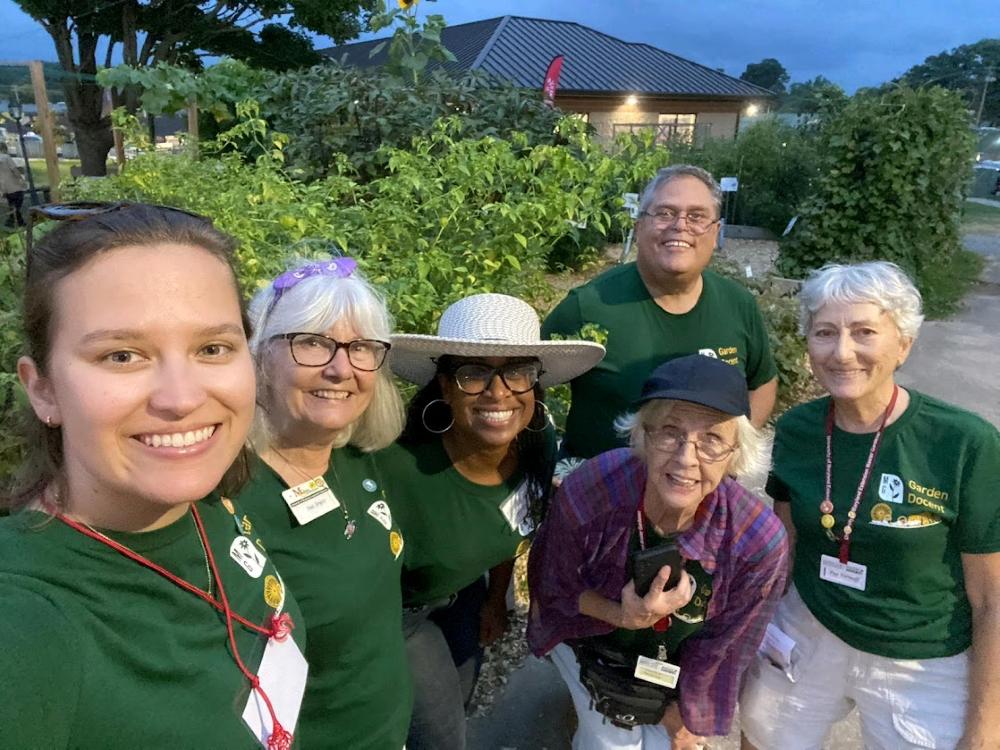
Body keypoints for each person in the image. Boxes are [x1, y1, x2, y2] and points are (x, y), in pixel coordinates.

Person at [0, 203, 306, 748]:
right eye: (122, 356)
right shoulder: (25, 623)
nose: (182, 399)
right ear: (42, 387)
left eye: (212, 348)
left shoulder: (211, 506)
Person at [740, 262, 1000, 750]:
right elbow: (783, 550)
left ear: (903, 343)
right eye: (825, 332)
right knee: (761, 732)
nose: (842, 352)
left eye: (864, 332)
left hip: (921, 652)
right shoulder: (797, 430)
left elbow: (993, 599)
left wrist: (988, 725)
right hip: (813, 623)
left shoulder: (965, 442)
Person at [528, 354, 789, 750]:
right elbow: (551, 587)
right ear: (643, 436)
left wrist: (687, 715)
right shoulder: (592, 490)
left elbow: (727, 643)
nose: (686, 459)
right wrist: (620, 614)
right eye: (670, 431)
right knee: (611, 744)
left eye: (712, 440)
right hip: (590, 639)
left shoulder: (757, 540)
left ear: (736, 454)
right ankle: (583, 707)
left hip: (677, 663)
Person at [385, 292, 606, 750]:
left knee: (462, 697)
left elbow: (518, 522)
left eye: (517, 371)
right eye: (473, 373)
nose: (499, 391)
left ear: (535, 384)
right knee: (441, 737)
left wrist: (494, 599)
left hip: (465, 591)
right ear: (443, 386)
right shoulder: (401, 468)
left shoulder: (537, 441)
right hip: (401, 613)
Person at [234, 257, 411, 749]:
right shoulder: (228, 496)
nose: (340, 368)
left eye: (361, 348)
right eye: (312, 342)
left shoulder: (358, 460)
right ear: (259, 355)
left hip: (385, 732)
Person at [542, 164, 778, 462]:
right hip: (603, 498)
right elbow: (522, 381)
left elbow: (762, 382)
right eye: (665, 213)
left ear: (716, 231)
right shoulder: (589, 306)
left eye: (697, 216)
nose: (680, 225)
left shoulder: (737, 304)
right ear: (639, 226)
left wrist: (727, 450)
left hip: (699, 491)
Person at [0, 142, 28, 227]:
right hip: (14, 186)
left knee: (12, 205)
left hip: (5, 187)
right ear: (4, 149)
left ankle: (19, 222)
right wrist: (21, 180)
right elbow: (14, 170)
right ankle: (11, 221)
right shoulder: (6, 157)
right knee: (17, 204)